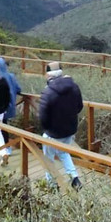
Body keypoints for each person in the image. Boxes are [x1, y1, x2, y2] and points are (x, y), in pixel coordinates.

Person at [37, 62, 84, 190]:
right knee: (63, 152)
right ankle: (74, 178)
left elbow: (43, 116)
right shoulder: (74, 87)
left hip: (53, 132)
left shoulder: (48, 92)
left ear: (48, 75)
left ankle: (51, 184)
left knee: (48, 158)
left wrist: (47, 128)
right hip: (69, 129)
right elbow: (79, 107)